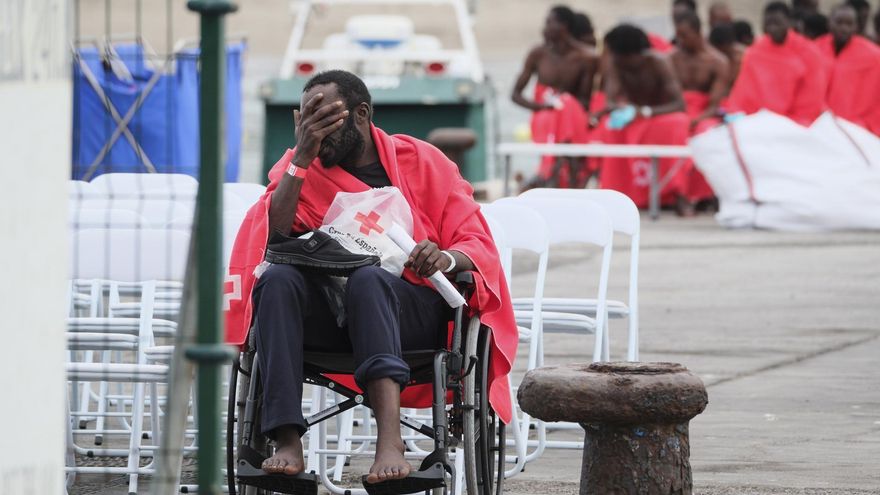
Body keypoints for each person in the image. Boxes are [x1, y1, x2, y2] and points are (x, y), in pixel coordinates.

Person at [225, 70, 516, 484]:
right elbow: (271, 236)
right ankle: (287, 439)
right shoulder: (299, 169)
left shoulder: (423, 162)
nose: (314, 130)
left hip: (408, 313)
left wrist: (445, 258)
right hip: (329, 314)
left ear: (361, 114)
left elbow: (476, 244)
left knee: (368, 279)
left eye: (324, 118)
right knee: (278, 281)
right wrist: (301, 157)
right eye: (306, 120)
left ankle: (390, 442)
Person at [595, 24, 691, 212]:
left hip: (660, 115)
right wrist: (624, 109)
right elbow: (611, 100)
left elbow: (679, 105)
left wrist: (646, 112)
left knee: (677, 123)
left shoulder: (659, 63)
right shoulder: (616, 65)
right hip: (634, 117)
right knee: (610, 126)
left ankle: (677, 194)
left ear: (633, 54)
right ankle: (617, 194)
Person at [512, 5, 598, 189]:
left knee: (567, 105)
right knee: (560, 113)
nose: (545, 27)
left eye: (549, 22)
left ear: (564, 26)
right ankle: (564, 176)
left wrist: (562, 104)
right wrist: (542, 107)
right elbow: (515, 94)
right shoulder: (538, 54)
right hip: (543, 115)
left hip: (572, 116)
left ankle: (551, 175)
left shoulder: (585, 58)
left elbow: (584, 100)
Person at [727, 2, 828, 126]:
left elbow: (811, 98)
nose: (772, 28)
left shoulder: (809, 52)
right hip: (756, 119)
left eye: (776, 23)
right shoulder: (755, 51)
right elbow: (743, 93)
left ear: (789, 22)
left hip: (795, 121)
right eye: (768, 23)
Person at [670, 10, 730, 206]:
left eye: (684, 36)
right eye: (678, 35)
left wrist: (697, 118)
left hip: (705, 113)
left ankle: (699, 195)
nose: (679, 40)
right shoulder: (671, 58)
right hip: (676, 110)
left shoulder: (717, 62)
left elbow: (715, 104)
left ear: (698, 33)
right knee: (671, 127)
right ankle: (672, 193)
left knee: (706, 132)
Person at [815, 3, 880, 135]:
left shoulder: (873, 56)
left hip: (855, 128)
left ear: (856, 26)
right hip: (818, 124)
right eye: (839, 22)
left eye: (849, 24)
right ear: (829, 23)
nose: (843, 28)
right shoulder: (814, 49)